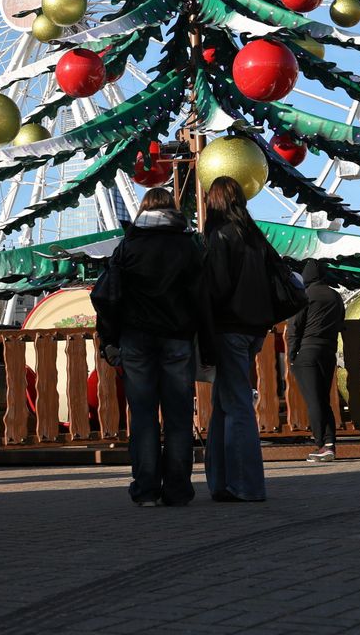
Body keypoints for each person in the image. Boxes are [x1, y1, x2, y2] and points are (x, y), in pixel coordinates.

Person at [93, 188, 207, 507]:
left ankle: (145, 490)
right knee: (178, 415)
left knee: (143, 415)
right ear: (172, 210)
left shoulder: (129, 245)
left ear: (143, 210)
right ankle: (178, 489)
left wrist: (110, 339)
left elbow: (108, 296)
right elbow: (201, 296)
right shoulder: (188, 245)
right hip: (177, 337)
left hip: (136, 337)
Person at [201, 177, 273, 502]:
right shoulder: (255, 238)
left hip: (229, 327)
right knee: (225, 403)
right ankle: (220, 480)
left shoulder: (220, 237)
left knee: (236, 405)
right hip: (252, 329)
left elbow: (216, 289)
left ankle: (244, 484)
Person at [287, 258, 344, 462]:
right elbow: (340, 323)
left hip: (307, 353)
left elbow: (294, 327)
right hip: (328, 352)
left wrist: (292, 356)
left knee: (313, 400)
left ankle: (320, 445)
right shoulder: (335, 296)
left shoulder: (306, 295)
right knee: (323, 400)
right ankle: (329, 444)